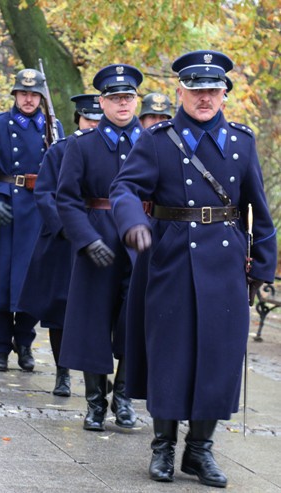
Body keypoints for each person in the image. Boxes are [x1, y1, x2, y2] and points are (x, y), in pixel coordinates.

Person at [110, 50, 277, 487]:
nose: (205, 98)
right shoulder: (158, 139)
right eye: (196, 90)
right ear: (180, 92)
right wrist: (131, 223)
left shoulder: (242, 142)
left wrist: (264, 263)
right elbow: (125, 187)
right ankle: (163, 448)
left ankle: (199, 451)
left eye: (213, 90)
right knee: (170, 354)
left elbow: (258, 207)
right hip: (170, 260)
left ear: (225, 94)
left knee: (219, 357)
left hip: (224, 266)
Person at [57, 64, 144, 432]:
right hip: (96, 238)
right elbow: (66, 198)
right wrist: (86, 238)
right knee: (92, 323)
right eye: (115, 98)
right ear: (102, 102)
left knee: (132, 323)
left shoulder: (154, 143)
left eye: (128, 97)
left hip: (140, 242)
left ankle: (123, 398)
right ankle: (95, 403)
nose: (122, 104)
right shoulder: (82, 144)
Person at [0, 68, 64, 373]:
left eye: (33, 94)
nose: (28, 99)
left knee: (33, 281)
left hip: (39, 210)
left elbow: (63, 170)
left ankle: (24, 342)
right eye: (23, 93)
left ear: (41, 97)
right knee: (0, 281)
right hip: (5, 208)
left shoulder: (53, 127)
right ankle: (0, 347)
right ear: (14, 95)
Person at [17, 93, 102, 396]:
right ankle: (62, 372)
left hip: (100, 238)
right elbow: (44, 192)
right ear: (78, 119)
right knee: (59, 309)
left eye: (98, 119)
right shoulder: (61, 150)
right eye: (89, 118)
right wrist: (66, 227)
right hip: (62, 242)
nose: (94, 124)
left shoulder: (116, 150)